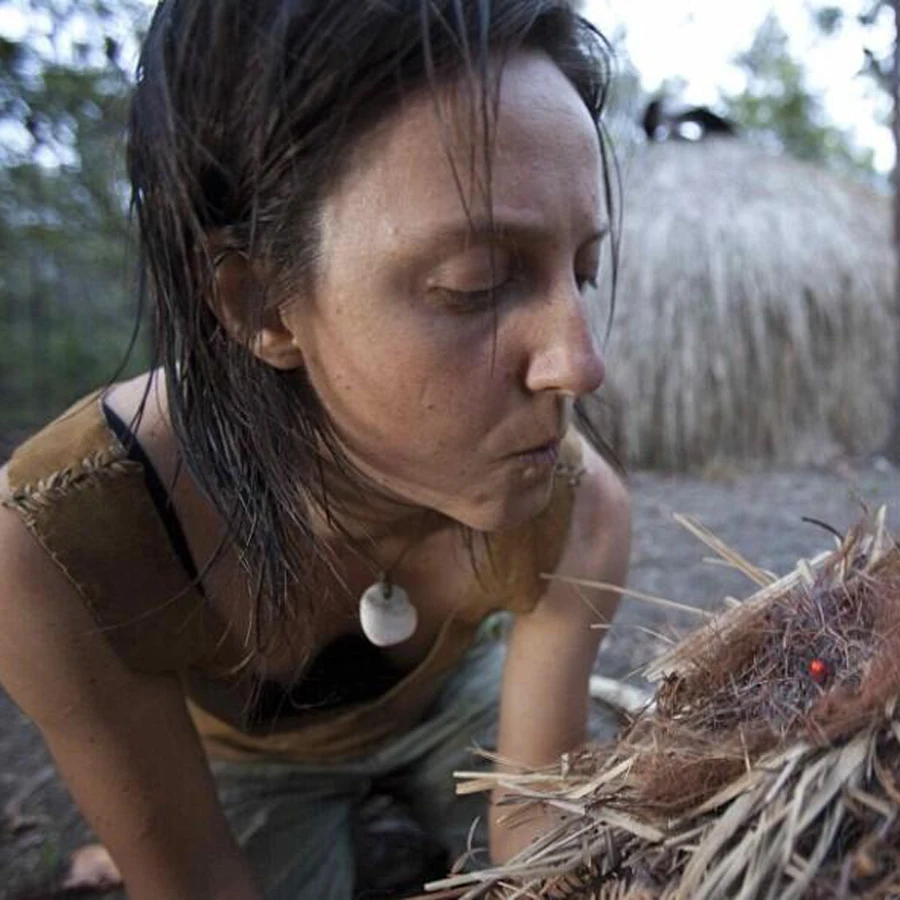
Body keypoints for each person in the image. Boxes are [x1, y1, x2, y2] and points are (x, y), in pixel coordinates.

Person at [0, 1, 631, 898]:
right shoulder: (62, 554)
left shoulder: (577, 508)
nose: (580, 365)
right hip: (247, 761)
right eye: (477, 284)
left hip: (457, 709)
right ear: (259, 303)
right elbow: (196, 883)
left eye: (582, 271)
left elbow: (534, 821)